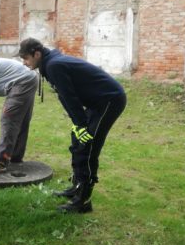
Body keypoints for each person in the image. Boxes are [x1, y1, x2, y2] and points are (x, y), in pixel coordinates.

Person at [18, 38, 127, 213]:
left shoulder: (54, 66)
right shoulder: (50, 64)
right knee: (78, 140)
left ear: (36, 54)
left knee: (88, 146)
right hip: (96, 103)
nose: (24, 63)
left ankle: (83, 201)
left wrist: (82, 124)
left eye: (26, 58)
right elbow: (66, 97)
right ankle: (76, 188)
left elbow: (70, 98)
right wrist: (78, 125)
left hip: (110, 100)